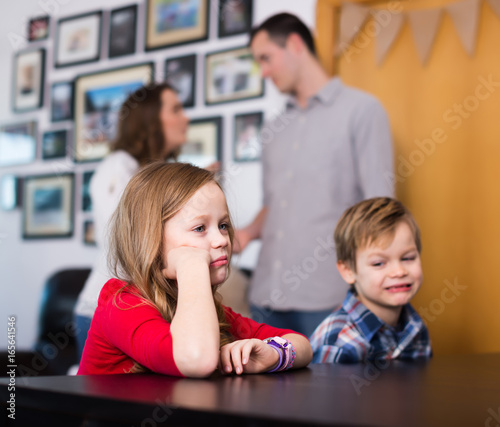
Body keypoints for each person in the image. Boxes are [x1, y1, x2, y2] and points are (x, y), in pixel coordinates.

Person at [233, 13, 395, 337]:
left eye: (266, 58)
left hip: (330, 299)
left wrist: (378, 294)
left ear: (295, 44)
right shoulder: (274, 130)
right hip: (266, 297)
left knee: (329, 389)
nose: (262, 72)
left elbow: (380, 210)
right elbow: (274, 206)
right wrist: (245, 234)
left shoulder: (362, 111)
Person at [77, 162, 312, 377]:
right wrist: (191, 267)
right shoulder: (120, 303)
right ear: (151, 240)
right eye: (200, 228)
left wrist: (274, 354)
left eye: (223, 225)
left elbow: (301, 344)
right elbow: (196, 359)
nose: (222, 240)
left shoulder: (211, 312)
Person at [73, 82, 190, 361]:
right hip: (107, 310)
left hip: (141, 308)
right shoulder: (118, 166)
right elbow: (133, 236)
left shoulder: (150, 172)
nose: (185, 117)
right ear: (150, 118)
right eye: (176, 109)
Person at [309, 197, 432, 363]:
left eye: (408, 258)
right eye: (379, 263)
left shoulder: (415, 326)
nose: (399, 271)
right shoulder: (337, 342)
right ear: (348, 271)